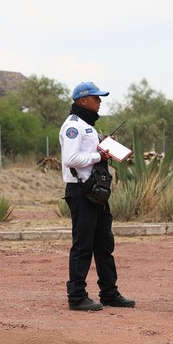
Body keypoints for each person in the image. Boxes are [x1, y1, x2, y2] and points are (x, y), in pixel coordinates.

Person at [59, 81, 135, 311]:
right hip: (81, 191)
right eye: (96, 98)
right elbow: (71, 159)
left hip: (97, 192)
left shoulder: (87, 125)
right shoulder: (73, 127)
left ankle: (109, 293)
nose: (100, 101)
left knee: (104, 244)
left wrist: (104, 149)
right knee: (83, 244)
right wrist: (99, 156)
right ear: (83, 100)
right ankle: (77, 296)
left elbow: (88, 154)